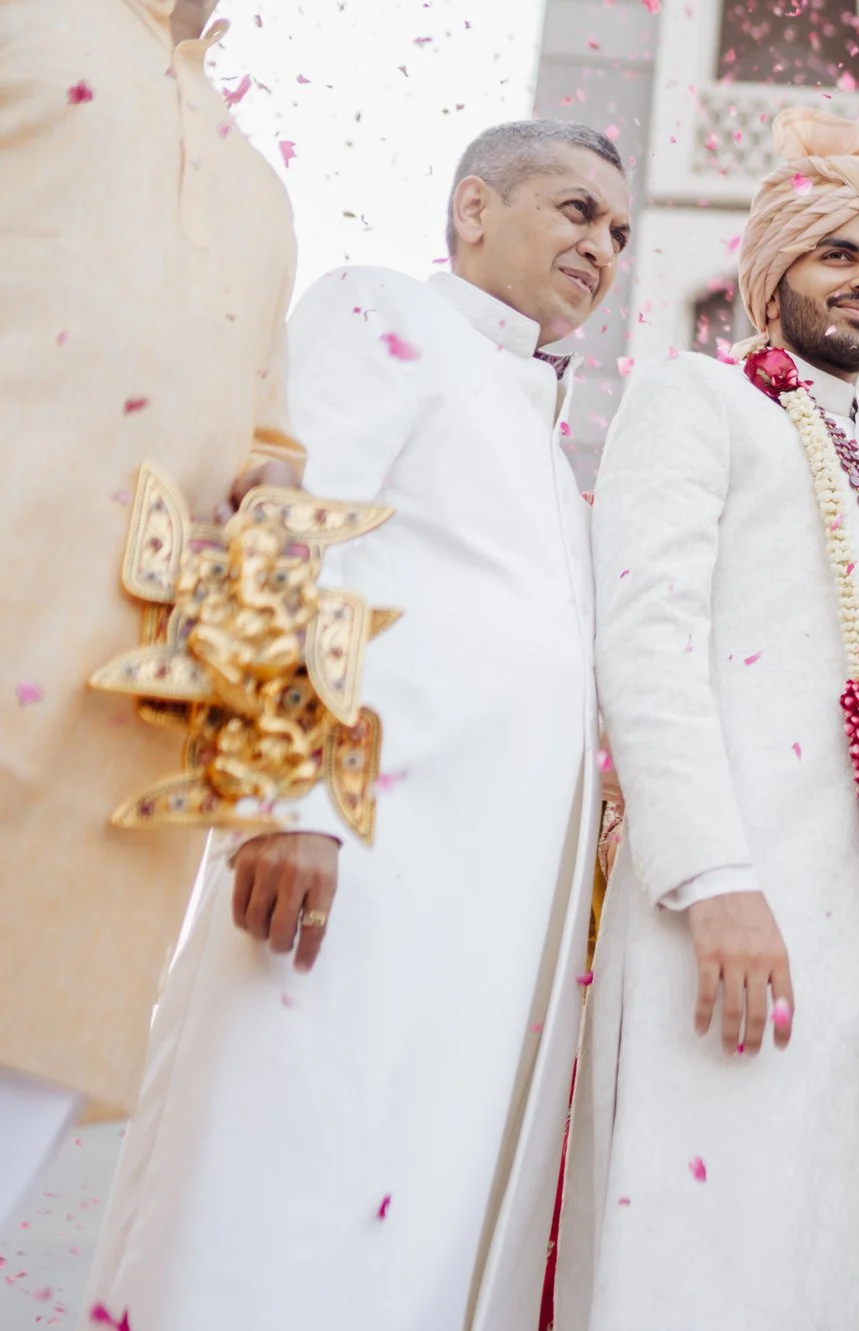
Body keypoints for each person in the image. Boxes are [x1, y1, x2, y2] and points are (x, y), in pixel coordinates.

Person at [80, 121, 629, 1328]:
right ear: (473, 209)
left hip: (482, 939)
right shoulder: (386, 312)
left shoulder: (542, 432)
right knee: (268, 1198)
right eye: (577, 211)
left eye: (623, 232)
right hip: (342, 874)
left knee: (410, 1243)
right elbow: (276, 523)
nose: (605, 246)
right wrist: (287, 798)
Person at [560, 107, 859, 1330]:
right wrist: (711, 874)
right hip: (725, 916)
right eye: (838, 253)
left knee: (846, 1260)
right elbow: (643, 642)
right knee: (701, 1243)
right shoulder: (697, 400)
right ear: (775, 273)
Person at [0, 0, 319, 1220]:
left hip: (99, 798)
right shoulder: (16, 8)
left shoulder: (262, 197)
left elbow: (265, 486)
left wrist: (277, 790)